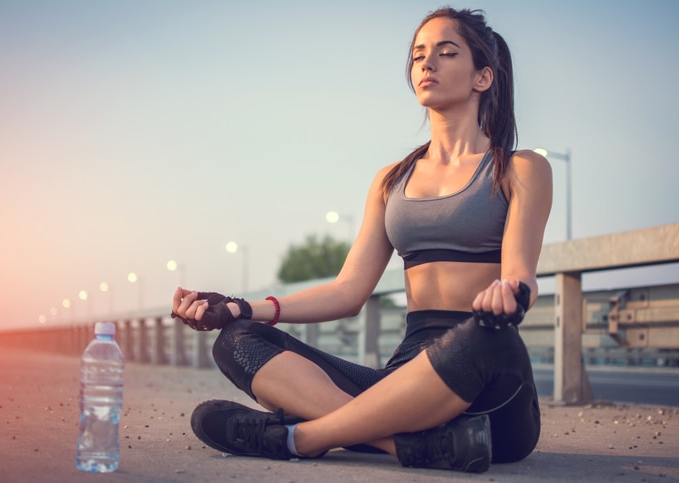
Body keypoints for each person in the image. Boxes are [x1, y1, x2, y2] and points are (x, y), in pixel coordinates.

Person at [171, 6, 552, 474]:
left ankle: (300, 437)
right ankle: (409, 444)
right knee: (239, 341)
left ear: (482, 77)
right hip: (403, 381)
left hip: (488, 391)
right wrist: (241, 307)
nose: (426, 64)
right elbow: (348, 291)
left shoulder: (520, 169)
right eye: (418, 56)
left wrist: (509, 297)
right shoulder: (391, 181)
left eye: (446, 53)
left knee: (491, 337)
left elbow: (521, 277)